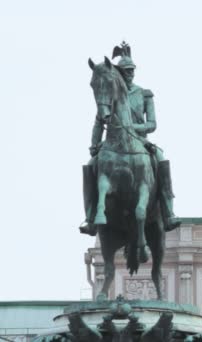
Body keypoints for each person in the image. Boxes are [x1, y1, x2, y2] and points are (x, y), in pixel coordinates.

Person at [80, 42, 181, 235]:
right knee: (91, 164)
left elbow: (152, 124)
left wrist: (130, 128)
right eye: (125, 71)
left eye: (131, 71)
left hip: (139, 141)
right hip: (112, 142)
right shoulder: (110, 94)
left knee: (161, 158)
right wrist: (94, 144)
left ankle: (169, 212)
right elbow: (99, 120)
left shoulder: (143, 94)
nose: (129, 74)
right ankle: (90, 216)